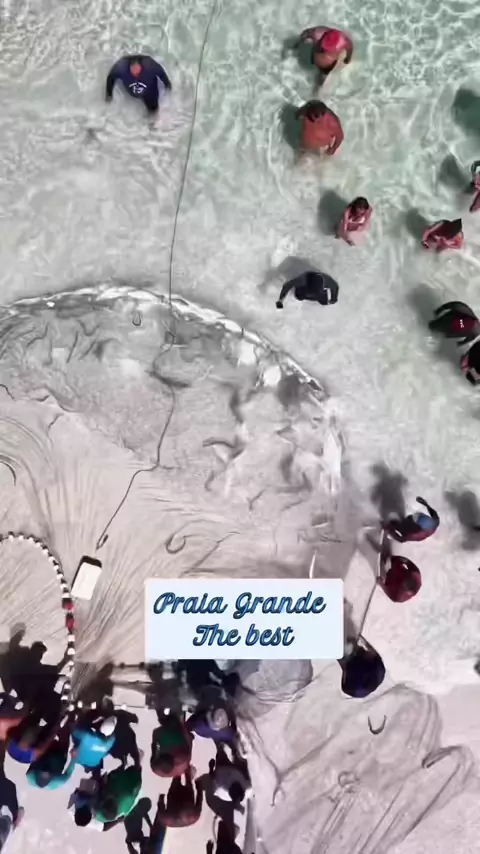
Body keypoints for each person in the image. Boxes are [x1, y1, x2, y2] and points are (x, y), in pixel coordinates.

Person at [105, 55, 171, 115]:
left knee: (153, 110)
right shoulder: (121, 68)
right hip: (132, 91)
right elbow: (111, 78)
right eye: (133, 70)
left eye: (137, 69)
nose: (135, 72)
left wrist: (167, 85)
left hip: (150, 91)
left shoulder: (150, 66)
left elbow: (161, 73)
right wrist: (109, 94)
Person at [27, 715, 76, 789]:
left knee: (47, 734)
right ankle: (71, 717)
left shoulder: (30, 776)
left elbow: (33, 759)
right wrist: (73, 758)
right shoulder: (58, 781)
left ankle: (57, 717)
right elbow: (68, 773)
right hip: (58, 759)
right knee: (65, 737)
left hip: (43, 758)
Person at [151, 711, 192, 778]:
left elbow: (153, 748)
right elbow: (189, 745)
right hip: (179, 740)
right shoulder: (182, 759)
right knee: (159, 732)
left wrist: (155, 742)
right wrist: (185, 731)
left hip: (171, 740)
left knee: (158, 732)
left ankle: (161, 712)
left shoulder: (156, 768)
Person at [210, 745, 252, 809]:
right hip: (235, 771)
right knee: (240, 756)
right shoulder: (248, 787)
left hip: (223, 769)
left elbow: (211, 778)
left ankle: (220, 747)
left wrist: (211, 767)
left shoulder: (220, 786)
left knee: (220, 753)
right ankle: (235, 749)